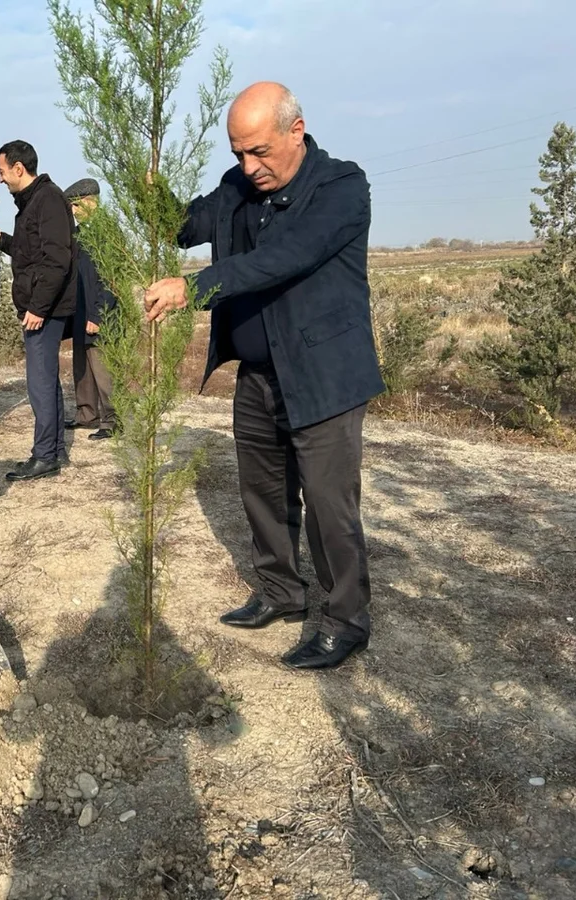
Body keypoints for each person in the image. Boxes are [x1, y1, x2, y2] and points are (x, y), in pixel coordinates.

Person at [144, 82, 383, 670]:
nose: (249, 167)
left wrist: (193, 287)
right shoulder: (237, 185)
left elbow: (283, 258)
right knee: (263, 490)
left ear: (296, 131)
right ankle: (281, 592)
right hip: (257, 372)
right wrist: (146, 183)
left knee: (330, 506)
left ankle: (346, 619)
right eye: (238, 154)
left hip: (323, 374)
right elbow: (182, 226)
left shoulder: (342, 188)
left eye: (259, 152)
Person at [0, 140, 76, 481]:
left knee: (39, 383)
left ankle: (44, 456)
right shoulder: (32, 203)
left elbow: (57, 259)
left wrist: (38, 307)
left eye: (2, 171)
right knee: (46, 380)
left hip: (45, 309)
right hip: (41, 306)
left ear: (19, 168)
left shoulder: (47, 199)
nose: (0, 179)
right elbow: (28, 252)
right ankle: (55, 450)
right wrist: (0, 239)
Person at [62, 178, 117, 441]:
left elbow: (111, 281)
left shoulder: (106, 233)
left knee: (102, 369)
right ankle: (86, 414)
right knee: (82, 367)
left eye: (75, 205)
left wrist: (98, 315)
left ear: (89, 201)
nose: (72, 210)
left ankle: (111, 420)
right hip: (80, 313)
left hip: (99, 314)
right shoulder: (79, 234)